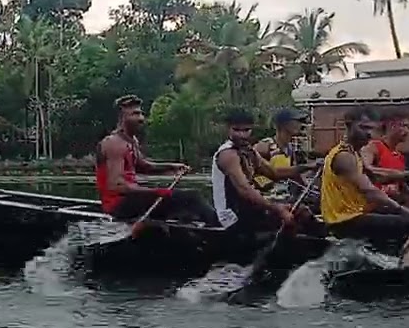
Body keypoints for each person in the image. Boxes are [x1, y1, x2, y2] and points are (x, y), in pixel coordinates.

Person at [320, 106, 409, 254]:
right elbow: (370, 191)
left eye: (372, 129)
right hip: (344, 221)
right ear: (348, 125)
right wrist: (408, 214)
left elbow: (375, 175)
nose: (369, 134)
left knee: (402, 218)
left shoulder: (354, 153)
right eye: (364, 128)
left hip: (354, 216)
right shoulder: (344, 156)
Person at [95, 95, 216, 224]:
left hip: (132, 199)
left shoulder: (132, 141)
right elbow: (116, 186)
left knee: (184, 208)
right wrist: (156, 191)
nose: (141, 118)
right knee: (192, 197)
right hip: (118, 205)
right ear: (122, 117)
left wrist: (172, 167)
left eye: (141, 113)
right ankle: (220, 229)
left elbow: (144, 166)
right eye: (135, 114)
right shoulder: (113, 143)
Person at [212, 108, 318, 233]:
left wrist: (309, 166)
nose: (241, 135)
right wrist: (277, 208)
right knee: (290, 220)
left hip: (249, 209)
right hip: (232, 216)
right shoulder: (228, 154)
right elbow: (245, 190)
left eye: (246, 130)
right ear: (228, 129)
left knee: (302, 212)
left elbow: (274, 173)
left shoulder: (249, 150)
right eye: (236, 130)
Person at [253, 107, 309, 199]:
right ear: (284, 124)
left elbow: (293, 174)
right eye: (297, 120)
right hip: (266, 199)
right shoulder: (265, 146)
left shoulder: (291, 148)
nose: (301, 124)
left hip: (285, 197)